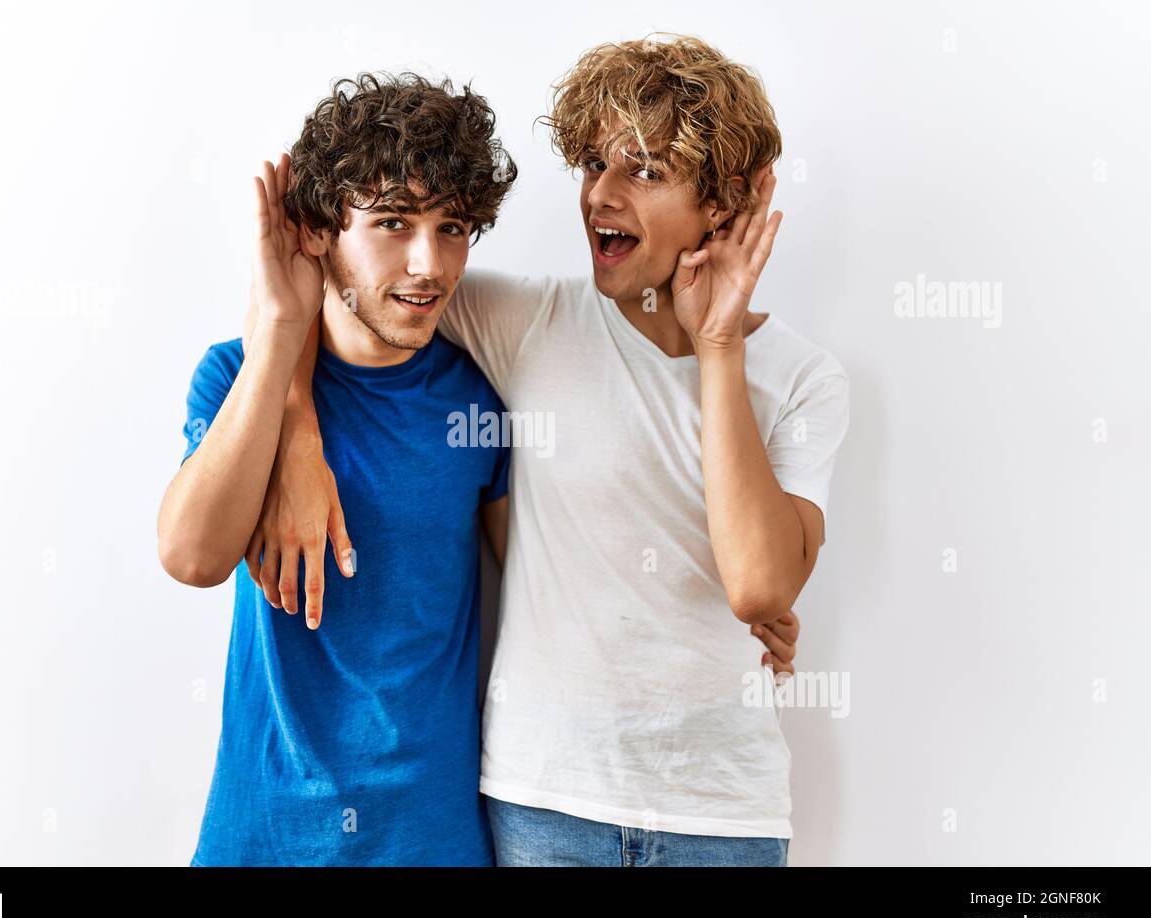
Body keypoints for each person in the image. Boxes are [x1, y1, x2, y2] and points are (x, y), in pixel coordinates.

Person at [250, 35, 849, 867]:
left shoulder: (802, 379)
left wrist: (719, 347)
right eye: (593, 167)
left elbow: (757, 585)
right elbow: (338, 280)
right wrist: (298, 437)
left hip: (722, 809)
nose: (600, 195)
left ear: (724, 203)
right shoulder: (526, 322)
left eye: (641, 169)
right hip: (545, 801)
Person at [157, 72, 517, 865]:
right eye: (392, 222)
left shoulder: (479, 403)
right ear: (319, 230)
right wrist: (283, 335)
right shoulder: (235, 374)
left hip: (431, 839)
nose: (430, 264)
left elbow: (542, 586)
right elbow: (190, 556)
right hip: (264, 835)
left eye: (453, 227)